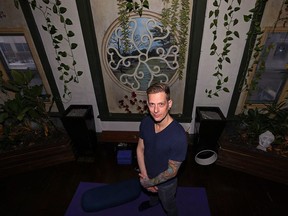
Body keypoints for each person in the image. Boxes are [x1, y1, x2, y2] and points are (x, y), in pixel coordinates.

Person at [136, 82, 188, 216]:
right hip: (148, 173)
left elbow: (172, 171)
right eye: (152, 104)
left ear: (169, 104)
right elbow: (140, 148)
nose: (156, 110)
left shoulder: (178, 136)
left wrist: (149, 182)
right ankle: (153, 203)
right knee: (152, 196)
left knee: (168, 205)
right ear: (147, 104)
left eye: (161, 104)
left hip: (166, 184)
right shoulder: (146, 122)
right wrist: (145, 176)